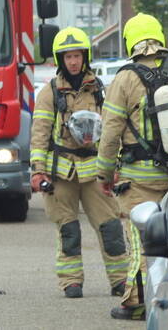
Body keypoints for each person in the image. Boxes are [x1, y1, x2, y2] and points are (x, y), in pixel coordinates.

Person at [97, 13, 168, 322]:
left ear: (131, 42)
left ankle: (137, 303)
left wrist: (104, 173)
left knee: (141, 241)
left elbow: (110, 132)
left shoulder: (125, 79)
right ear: (160, 38)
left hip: (136, 181)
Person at [29, 27, 129, 299]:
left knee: (111, 229)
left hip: (96, 173)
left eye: (77, 56)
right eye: (68, 57)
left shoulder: (100, 90)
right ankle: (71, 281)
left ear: (85, 57)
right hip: (62, 175)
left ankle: (120, 280)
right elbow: (39, 132)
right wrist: (37, 171)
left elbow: (113, 129)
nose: (73, 61)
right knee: (68, 230)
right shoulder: (49, 93)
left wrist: (115, 168)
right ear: (60, 60)